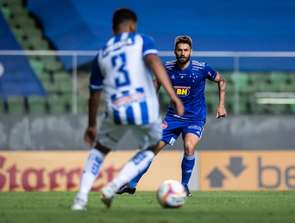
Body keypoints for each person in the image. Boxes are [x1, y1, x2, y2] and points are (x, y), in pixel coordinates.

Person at [71, 8, 184, 210]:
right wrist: (173, 95)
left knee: (99, 150)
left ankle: (80, 199)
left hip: (116, 109)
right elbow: (154, 62)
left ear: (114, 29)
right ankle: (113, 186)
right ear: (132, 25)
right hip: (144, 109)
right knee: (150, 148)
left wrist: (91, 125)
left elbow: (94, 93)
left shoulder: (102, 53)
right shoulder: (142, 40)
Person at [117, 35, 227, 197]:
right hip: (173, 118)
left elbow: (221, 81)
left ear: (191, 51)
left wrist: (221, 105)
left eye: (186, 50)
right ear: (174, 51)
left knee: (189, 146)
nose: (183, 53)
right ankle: (132, 185)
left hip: (194, 118)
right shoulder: (166, 68)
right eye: (180, 50)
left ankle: (184, 186)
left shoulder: (201, 68)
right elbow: (156, 84)